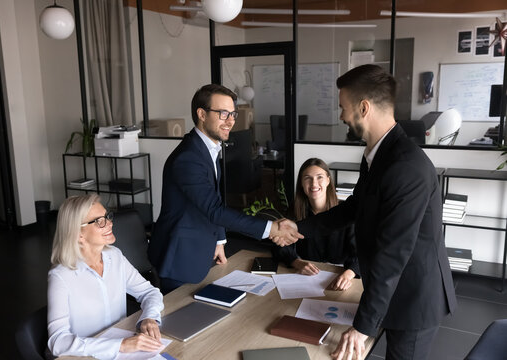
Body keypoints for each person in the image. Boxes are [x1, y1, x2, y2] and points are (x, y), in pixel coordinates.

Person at [295, 65, 457, 360]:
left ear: (363, 107)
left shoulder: (406, 167)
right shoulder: (377, 154)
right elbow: (355, 207)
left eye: (343, 108)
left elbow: (393, 253)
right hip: (391, 287)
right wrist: (299, 229)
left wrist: (362, 327)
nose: (341, 116)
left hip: (414, 297)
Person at [149, 84, 302, 294]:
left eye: (232, 113)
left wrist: (219, 240)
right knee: (182, 321)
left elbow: (215, 199)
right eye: (223, 113)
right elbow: (214, 210)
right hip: (178, 257)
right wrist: (272, 229)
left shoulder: (207, 148)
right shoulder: (188, 158)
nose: (231, 121)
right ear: (202, 114)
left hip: (200, 249)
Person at [47, 195, 164, 359]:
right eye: (99, 221)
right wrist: (121, 345)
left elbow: (150, 292)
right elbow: (58, 342)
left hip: (126, 348)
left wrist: (149, 317)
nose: (109, 223)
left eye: (107, 217)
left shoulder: (114, 256)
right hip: (87, 355)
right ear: (78, 234)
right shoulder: (61, 276)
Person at [273, 158, 359, 291]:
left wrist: (349, 274)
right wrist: (296, 262)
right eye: (307, 178)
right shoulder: (294, 211)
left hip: (341, 276)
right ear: (301, 183)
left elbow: (361, 251)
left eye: (320, 177)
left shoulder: (345, 212)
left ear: (328, 181)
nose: (314, 183)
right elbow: (280, 245)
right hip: (307, 277)